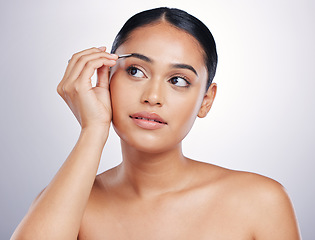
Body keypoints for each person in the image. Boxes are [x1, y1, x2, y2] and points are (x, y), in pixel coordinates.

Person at [11, 7, 301, 240]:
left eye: (178, 80)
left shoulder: (261, 202)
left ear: (206, 101)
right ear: (107, 76)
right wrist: (93, 130)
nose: (152, 97)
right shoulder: (69, 203)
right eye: (136, 71)